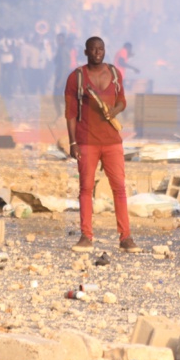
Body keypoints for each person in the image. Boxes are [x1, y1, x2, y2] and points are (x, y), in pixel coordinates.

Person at [66, 37, 140, 253]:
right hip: (86, 141)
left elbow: (122, 101)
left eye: (101, 49)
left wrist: (114, 111)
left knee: (119, 188)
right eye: (93, 49)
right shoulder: (76, 78)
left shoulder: (115, 74)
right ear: (86, 52)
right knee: (86, 188)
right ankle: (86, 237)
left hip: (112, 141)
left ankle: (125, 237)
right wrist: (72, 142)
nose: (98, 52)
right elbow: (70, 113)